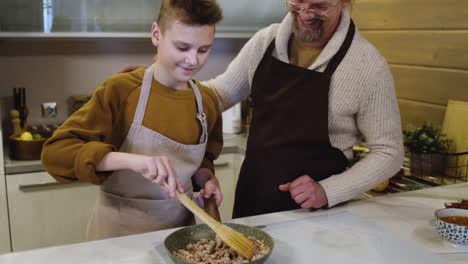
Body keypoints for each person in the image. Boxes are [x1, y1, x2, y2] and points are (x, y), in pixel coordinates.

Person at [121, 0, 404, 218]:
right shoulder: (265, 42)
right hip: (253, 197)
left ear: (344, 2)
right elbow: (217, 95)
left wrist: (328, 191)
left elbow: (389, 153)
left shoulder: (368, 66)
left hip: (317, 214)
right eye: (297, 2)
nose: (306, 13)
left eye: (319, 5)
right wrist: (162, 85)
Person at [41, 0, 224, 240]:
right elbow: (55, 153)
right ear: (156, 34)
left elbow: (202, 163)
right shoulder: (120, 90)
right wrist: (131, 161)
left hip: (182, 237)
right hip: (118, 239)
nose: (193, 60)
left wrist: (207, 179)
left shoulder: (206, 102)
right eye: (182, 47)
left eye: (203, 50)